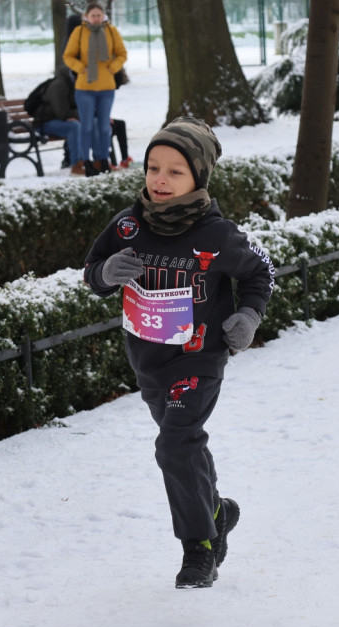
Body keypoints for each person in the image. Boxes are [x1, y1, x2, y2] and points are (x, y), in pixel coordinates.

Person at [83, 117, 275, 588]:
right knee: (183, 445)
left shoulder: (217, 233)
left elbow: (259, 273)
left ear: (199, 178)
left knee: (173, 442)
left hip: (200, 357)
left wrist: (248, 317)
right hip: (148, 361)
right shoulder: (127, 225)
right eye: (153, 168)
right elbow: (91, 274)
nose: (160, 180)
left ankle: (198, 551)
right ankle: (216, 512)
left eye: (175, 171)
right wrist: (107, 271)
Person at [63, 1, 126, 177]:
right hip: (85, 88)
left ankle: (103, 159)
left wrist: (113, 67)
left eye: (99, 15)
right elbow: (68, 56)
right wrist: (80, 67)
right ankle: (87, 161)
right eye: (93, 16)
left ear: (103, 15)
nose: (96, 18)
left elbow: (122, 54)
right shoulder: (80, 31)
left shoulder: (111, 31)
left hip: (106, 87)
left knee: (105, 127)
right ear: (87, 17)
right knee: (87, 126)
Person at [32, 66, 85, 175]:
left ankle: (96, 161)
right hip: (45, 123)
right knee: (74, 126)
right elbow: (62, 113)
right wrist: (81, 115)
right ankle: (77, 165)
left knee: (90, 123)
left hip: (59, 120)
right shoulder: (59, 86)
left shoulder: (72, 84)